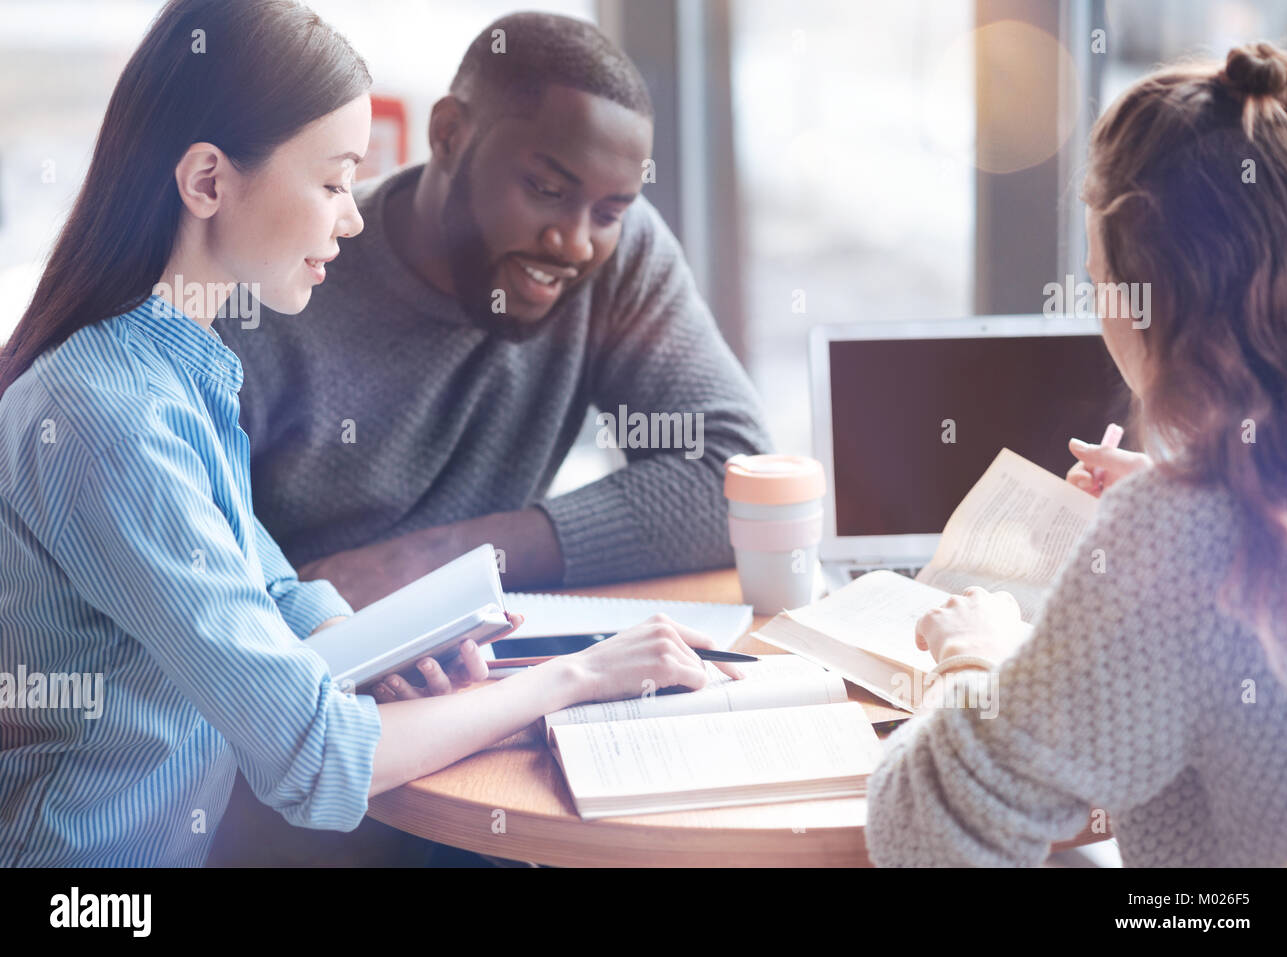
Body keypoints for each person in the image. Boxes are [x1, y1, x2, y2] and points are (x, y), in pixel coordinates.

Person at [0, 0, 736, 868]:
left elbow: (277, 601)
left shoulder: (176, 372)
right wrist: (576, 677)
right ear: (207, 183)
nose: (350, 219)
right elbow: (318, 759)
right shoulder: (107, 416)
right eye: (332, 181)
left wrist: (388, 653)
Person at [866, 42, 1287, 867]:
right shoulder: (1224, 512)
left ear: (1147, 299)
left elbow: (927, 836)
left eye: (1097, 276)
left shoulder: (1183, 533)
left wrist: (975, 654)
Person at [212, 11, 772, 614]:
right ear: (450, 133)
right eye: (546, 190)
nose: (577, 243)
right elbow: (204, 570)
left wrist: (439, 559)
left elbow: (738, 481)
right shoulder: (274, 284)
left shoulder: (623, 253)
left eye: (609, 212)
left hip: (490, 652)